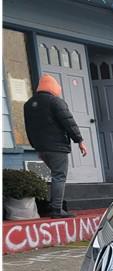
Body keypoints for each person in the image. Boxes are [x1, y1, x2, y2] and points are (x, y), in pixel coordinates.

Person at [23, 74, 88, 219]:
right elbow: (68, 122)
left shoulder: (28, 104)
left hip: (41, 147)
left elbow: (29, 127)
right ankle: (56, 210)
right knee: (59, 176)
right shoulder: (55, 102)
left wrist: (36, 146)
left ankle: (52, 206)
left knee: (55, 175)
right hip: (56, 147)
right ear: (53, 87)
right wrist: (80, 141)